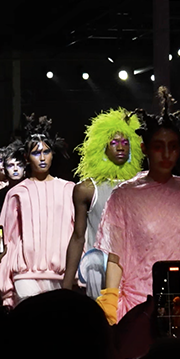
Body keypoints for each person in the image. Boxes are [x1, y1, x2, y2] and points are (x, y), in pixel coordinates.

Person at [96, 88, 180, 322]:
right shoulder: (125, 196)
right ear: (144, 148)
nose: (166, 154)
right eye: (158, 146)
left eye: (173, 146)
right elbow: (115, 258)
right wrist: (110, 303)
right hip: (139, 305)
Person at [0, 116, 75, 306]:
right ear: (26, 158)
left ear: (53, 154)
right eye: (36, 153)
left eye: (46, 152)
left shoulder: (69, 189)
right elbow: (1, 231)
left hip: (61, 275)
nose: (42, 158)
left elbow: (78, 234)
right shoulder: (17, 192)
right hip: (25, 275)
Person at [63, 108, 144, 296]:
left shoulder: (141, 186)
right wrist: (66, 286)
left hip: (135, 270)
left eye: (125, 142)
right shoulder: (87, 189)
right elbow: (78, 236)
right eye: (114, 143)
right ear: (102, 147)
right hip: (99, 271)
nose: (121, 147)